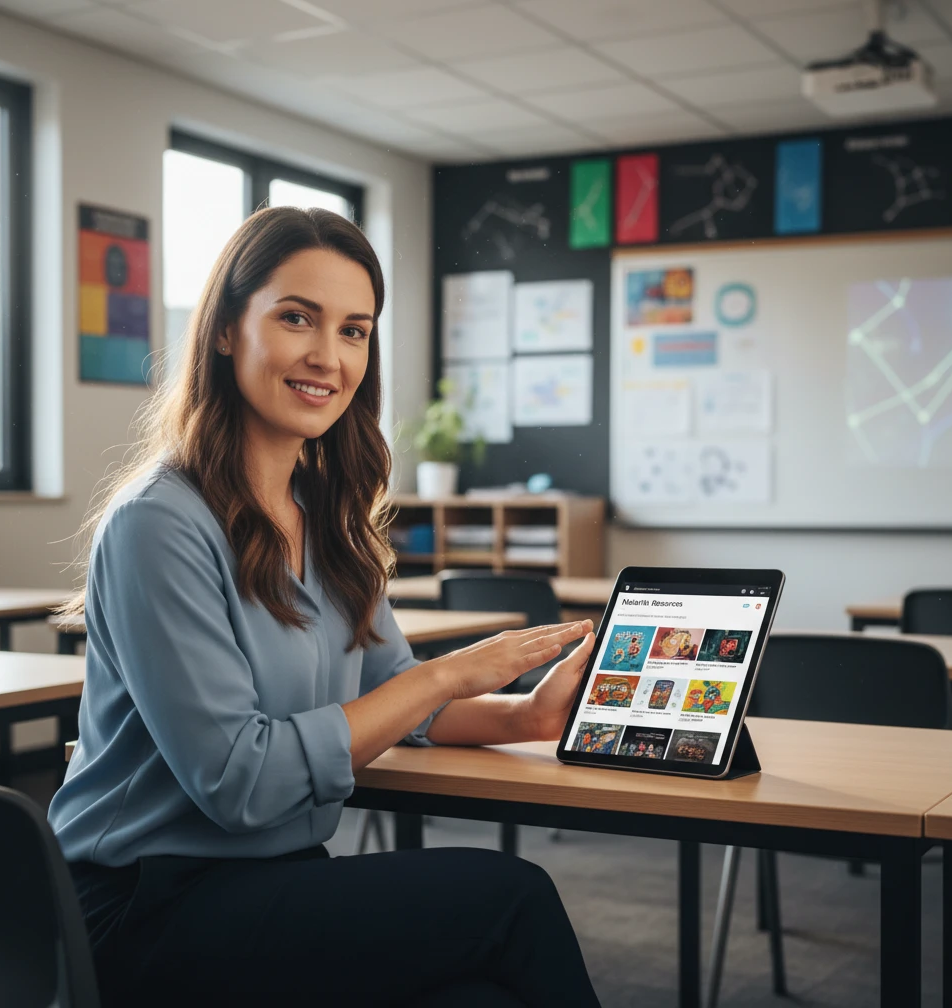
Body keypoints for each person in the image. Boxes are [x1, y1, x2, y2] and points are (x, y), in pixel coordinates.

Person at [48, 206, 601, 1008]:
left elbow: (395, 692)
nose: (327, 356)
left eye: (354, 330)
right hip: (146, 906)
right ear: (228, 330)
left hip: (274, 884)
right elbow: (239, 783)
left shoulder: (328, 517)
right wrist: (446, 677)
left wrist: (525, 717)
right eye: (297, 318)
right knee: (512, 897)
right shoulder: (158, 524)